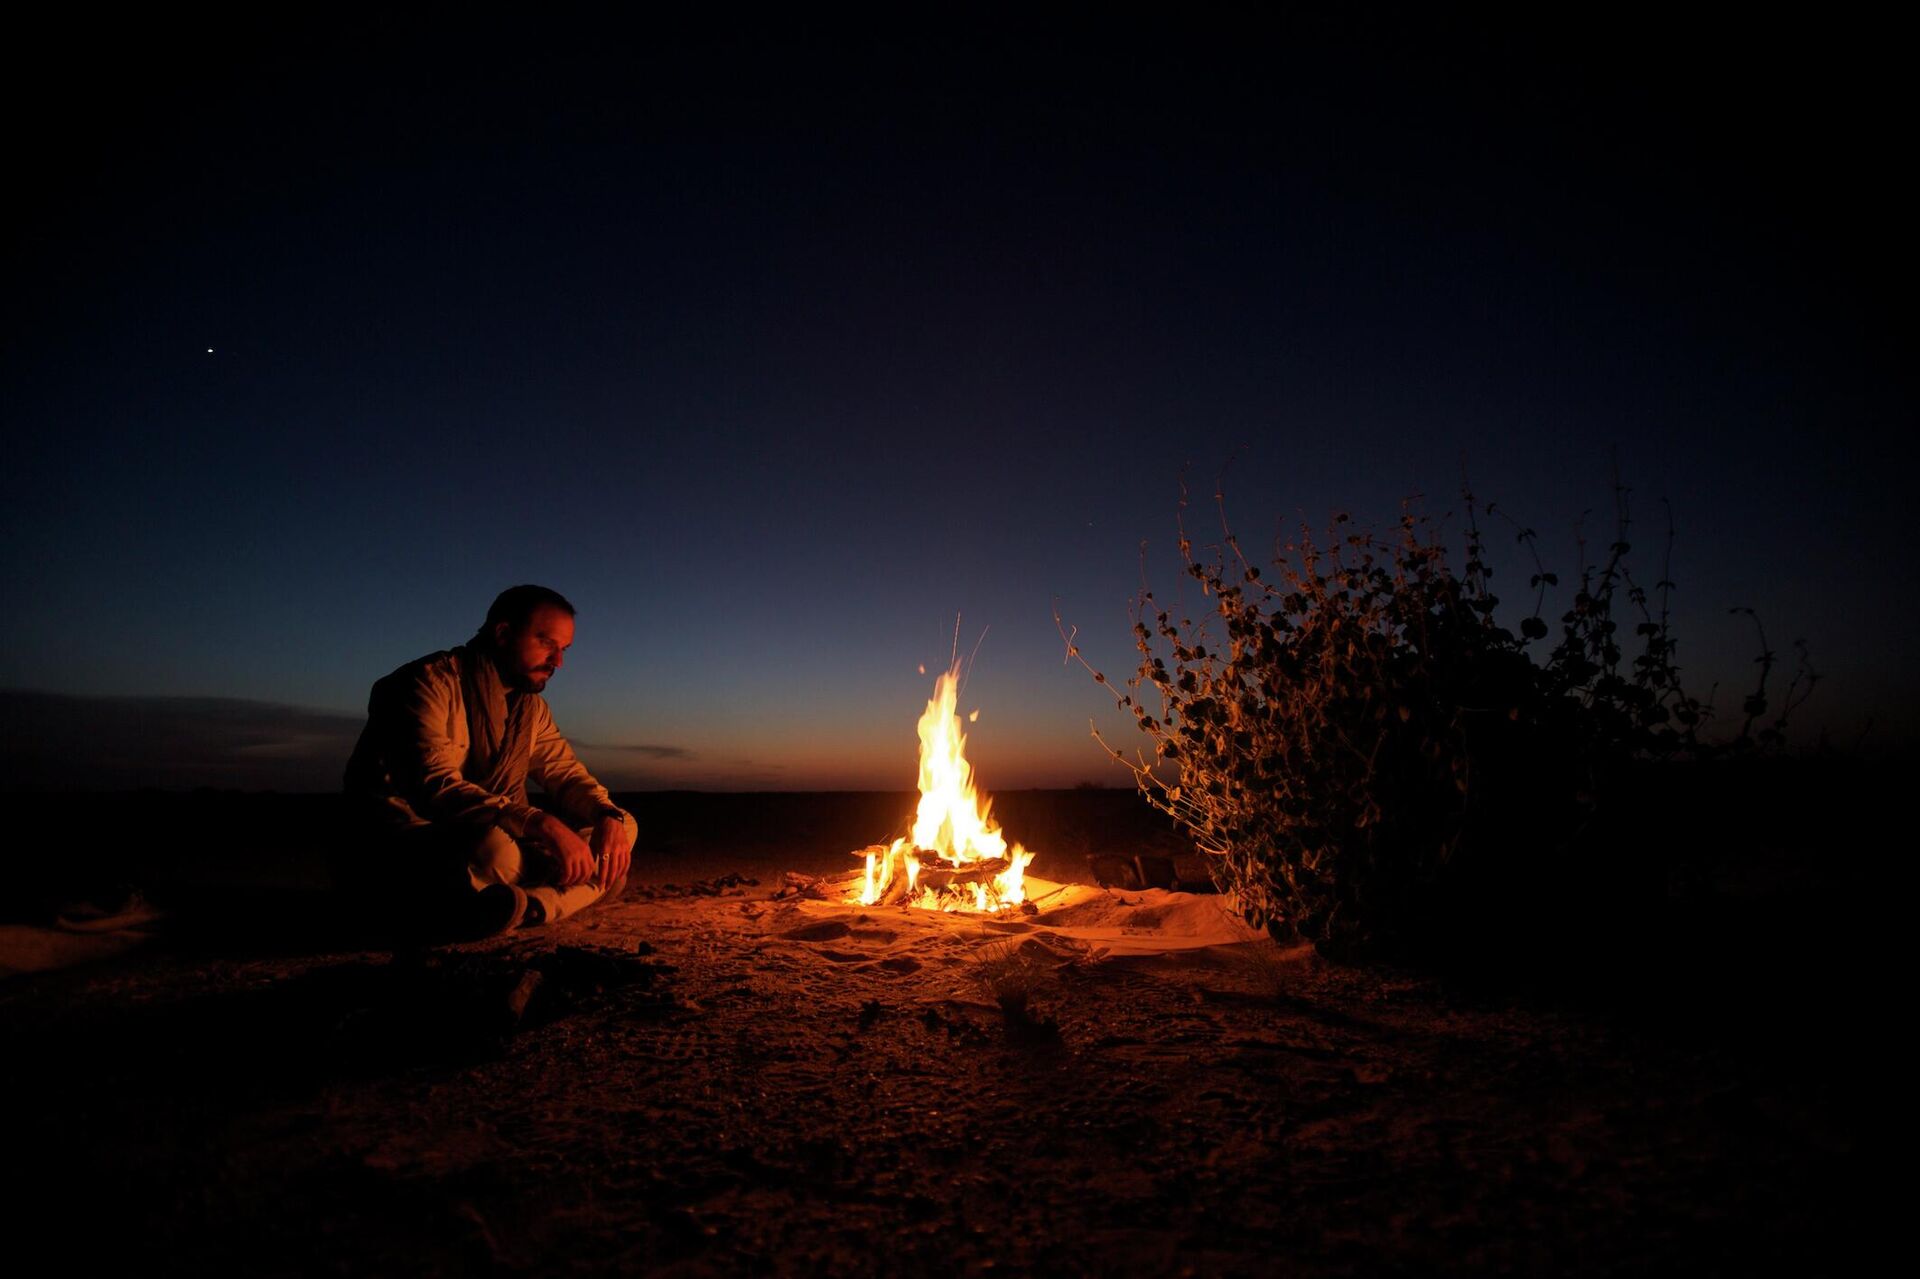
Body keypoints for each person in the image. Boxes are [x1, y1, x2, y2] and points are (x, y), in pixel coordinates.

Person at [343, 585, 636, 937]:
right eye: (546, 643)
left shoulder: (530, 709)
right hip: (410, 838)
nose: (558, 662)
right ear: (503, 633)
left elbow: (565, 773)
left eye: (564, 649)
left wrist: (606, 816)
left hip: (496, 831)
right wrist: (542, 824)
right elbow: (434, 787)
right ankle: (575, 890)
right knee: (495, 852)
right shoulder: (425, 685)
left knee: (622, 826)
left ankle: (529, 906)